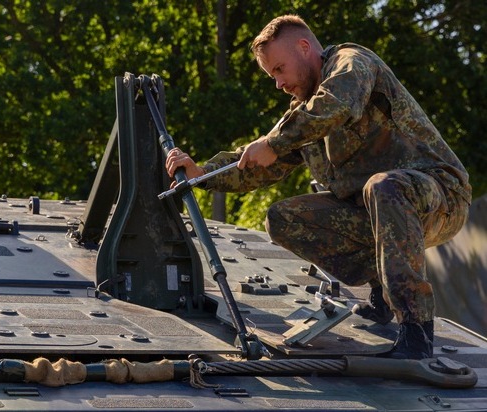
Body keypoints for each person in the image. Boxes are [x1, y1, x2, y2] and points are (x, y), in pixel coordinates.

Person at [165, 15, 471, 360]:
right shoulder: (304, 112)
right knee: (283, 218)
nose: (278, 83)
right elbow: (257, 165)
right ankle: (381, 286)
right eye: (272, 76)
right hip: (378, 211)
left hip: (439, 196)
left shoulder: (352, 64)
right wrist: (202, 173)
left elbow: (335, 106)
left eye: (279, 69)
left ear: (304, 47)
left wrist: (275, 142)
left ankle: (416, 330)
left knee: (384, 186)